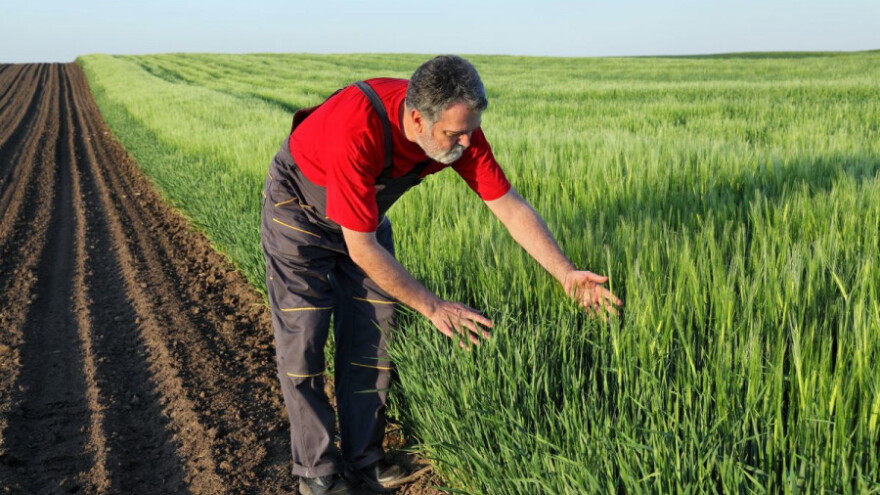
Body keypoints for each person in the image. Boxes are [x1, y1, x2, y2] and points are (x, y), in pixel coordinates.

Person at [260, 55, 622, 495]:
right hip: (298, 214)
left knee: (374, 334)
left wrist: (565, 273)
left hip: (362, 219)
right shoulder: (357, 129)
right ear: (417, 119)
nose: (467, 142)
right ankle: (316, 471)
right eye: (455, 134)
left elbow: (508, 206)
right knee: (303, 338)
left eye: (470, 130)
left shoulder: (458, 128)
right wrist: (432, 306)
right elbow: (362, 249)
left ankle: (365, 460)